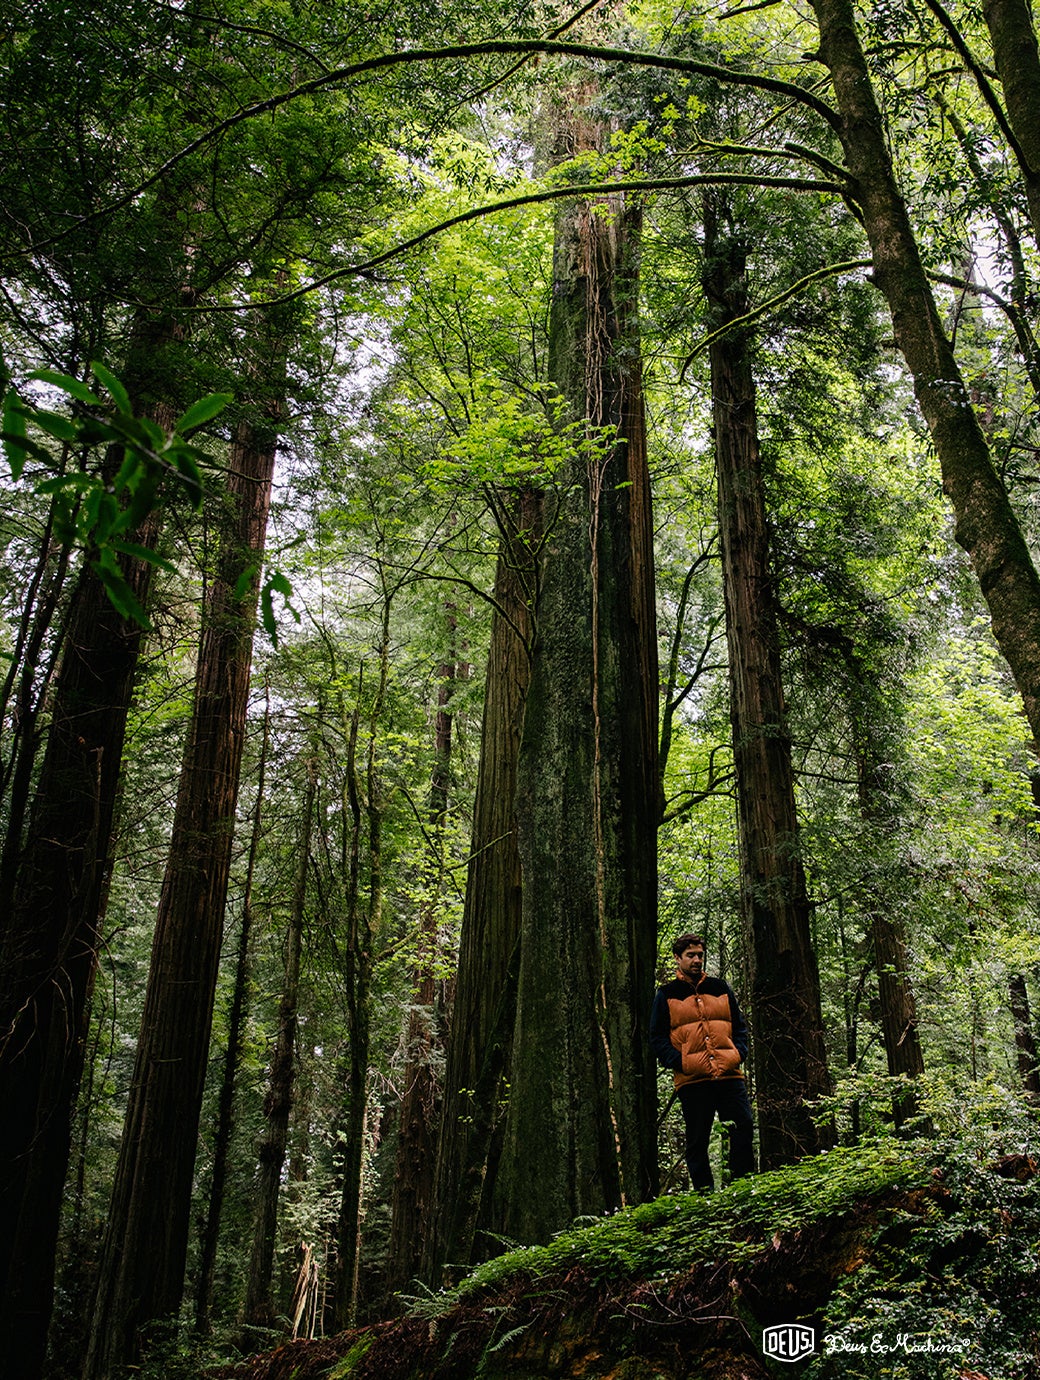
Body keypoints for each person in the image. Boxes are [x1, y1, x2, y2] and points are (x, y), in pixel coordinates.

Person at [649, 933, 755, 1191]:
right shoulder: (666, 994)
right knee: (697, 1141)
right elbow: (657, 1039)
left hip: (729, 1074)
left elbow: (740, 1028)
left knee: (743, 1128)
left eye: (700, 955)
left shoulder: (720, 988)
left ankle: (742, 1190)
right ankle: (704, 1198)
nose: (697, 960)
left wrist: (737, 1054)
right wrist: (682, 1062)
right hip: (693, 1080)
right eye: (691, 955)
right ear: (678, 958)